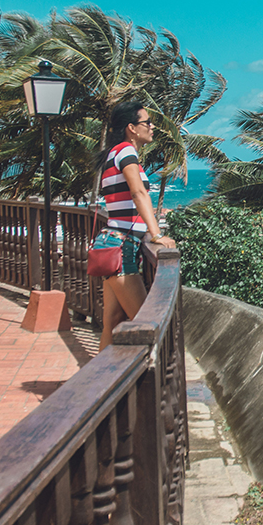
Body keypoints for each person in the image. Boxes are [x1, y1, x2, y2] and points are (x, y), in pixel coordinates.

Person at [95, 100, 173, 350]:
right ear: (131, 127)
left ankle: (98, 386)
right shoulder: (126, 152)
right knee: (146, 324)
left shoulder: (114, 153)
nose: (152, 127)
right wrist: (156, 233)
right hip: (121, 246)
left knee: (113, 321)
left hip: (111, 243)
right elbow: (138, 192)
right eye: (146, 122)